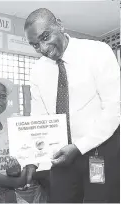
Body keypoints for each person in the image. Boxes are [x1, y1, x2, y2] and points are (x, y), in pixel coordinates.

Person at [24, 8, 120, 203]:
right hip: (60, 156)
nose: (43, 48)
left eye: (45, 37)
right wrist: (32, 158)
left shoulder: (97, 52)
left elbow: (113, 109)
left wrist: (79, 146)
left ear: (59, 24)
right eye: (35, 45)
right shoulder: (38, 71)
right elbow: (39, 118)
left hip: (99, 150)